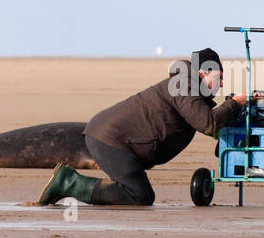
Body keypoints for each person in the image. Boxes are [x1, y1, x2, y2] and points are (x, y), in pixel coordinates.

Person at [37, 48, 247, 206]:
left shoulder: (187, 88)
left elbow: (208, 122)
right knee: (139, 195)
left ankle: (77, 184)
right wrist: (234, 103)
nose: (221, 84)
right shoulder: (184, 85)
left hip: (116, 140)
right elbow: (207, 123)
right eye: (219, 77)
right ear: (203, 72)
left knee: (139, 193)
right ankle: (69, 183)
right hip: (110, 140)